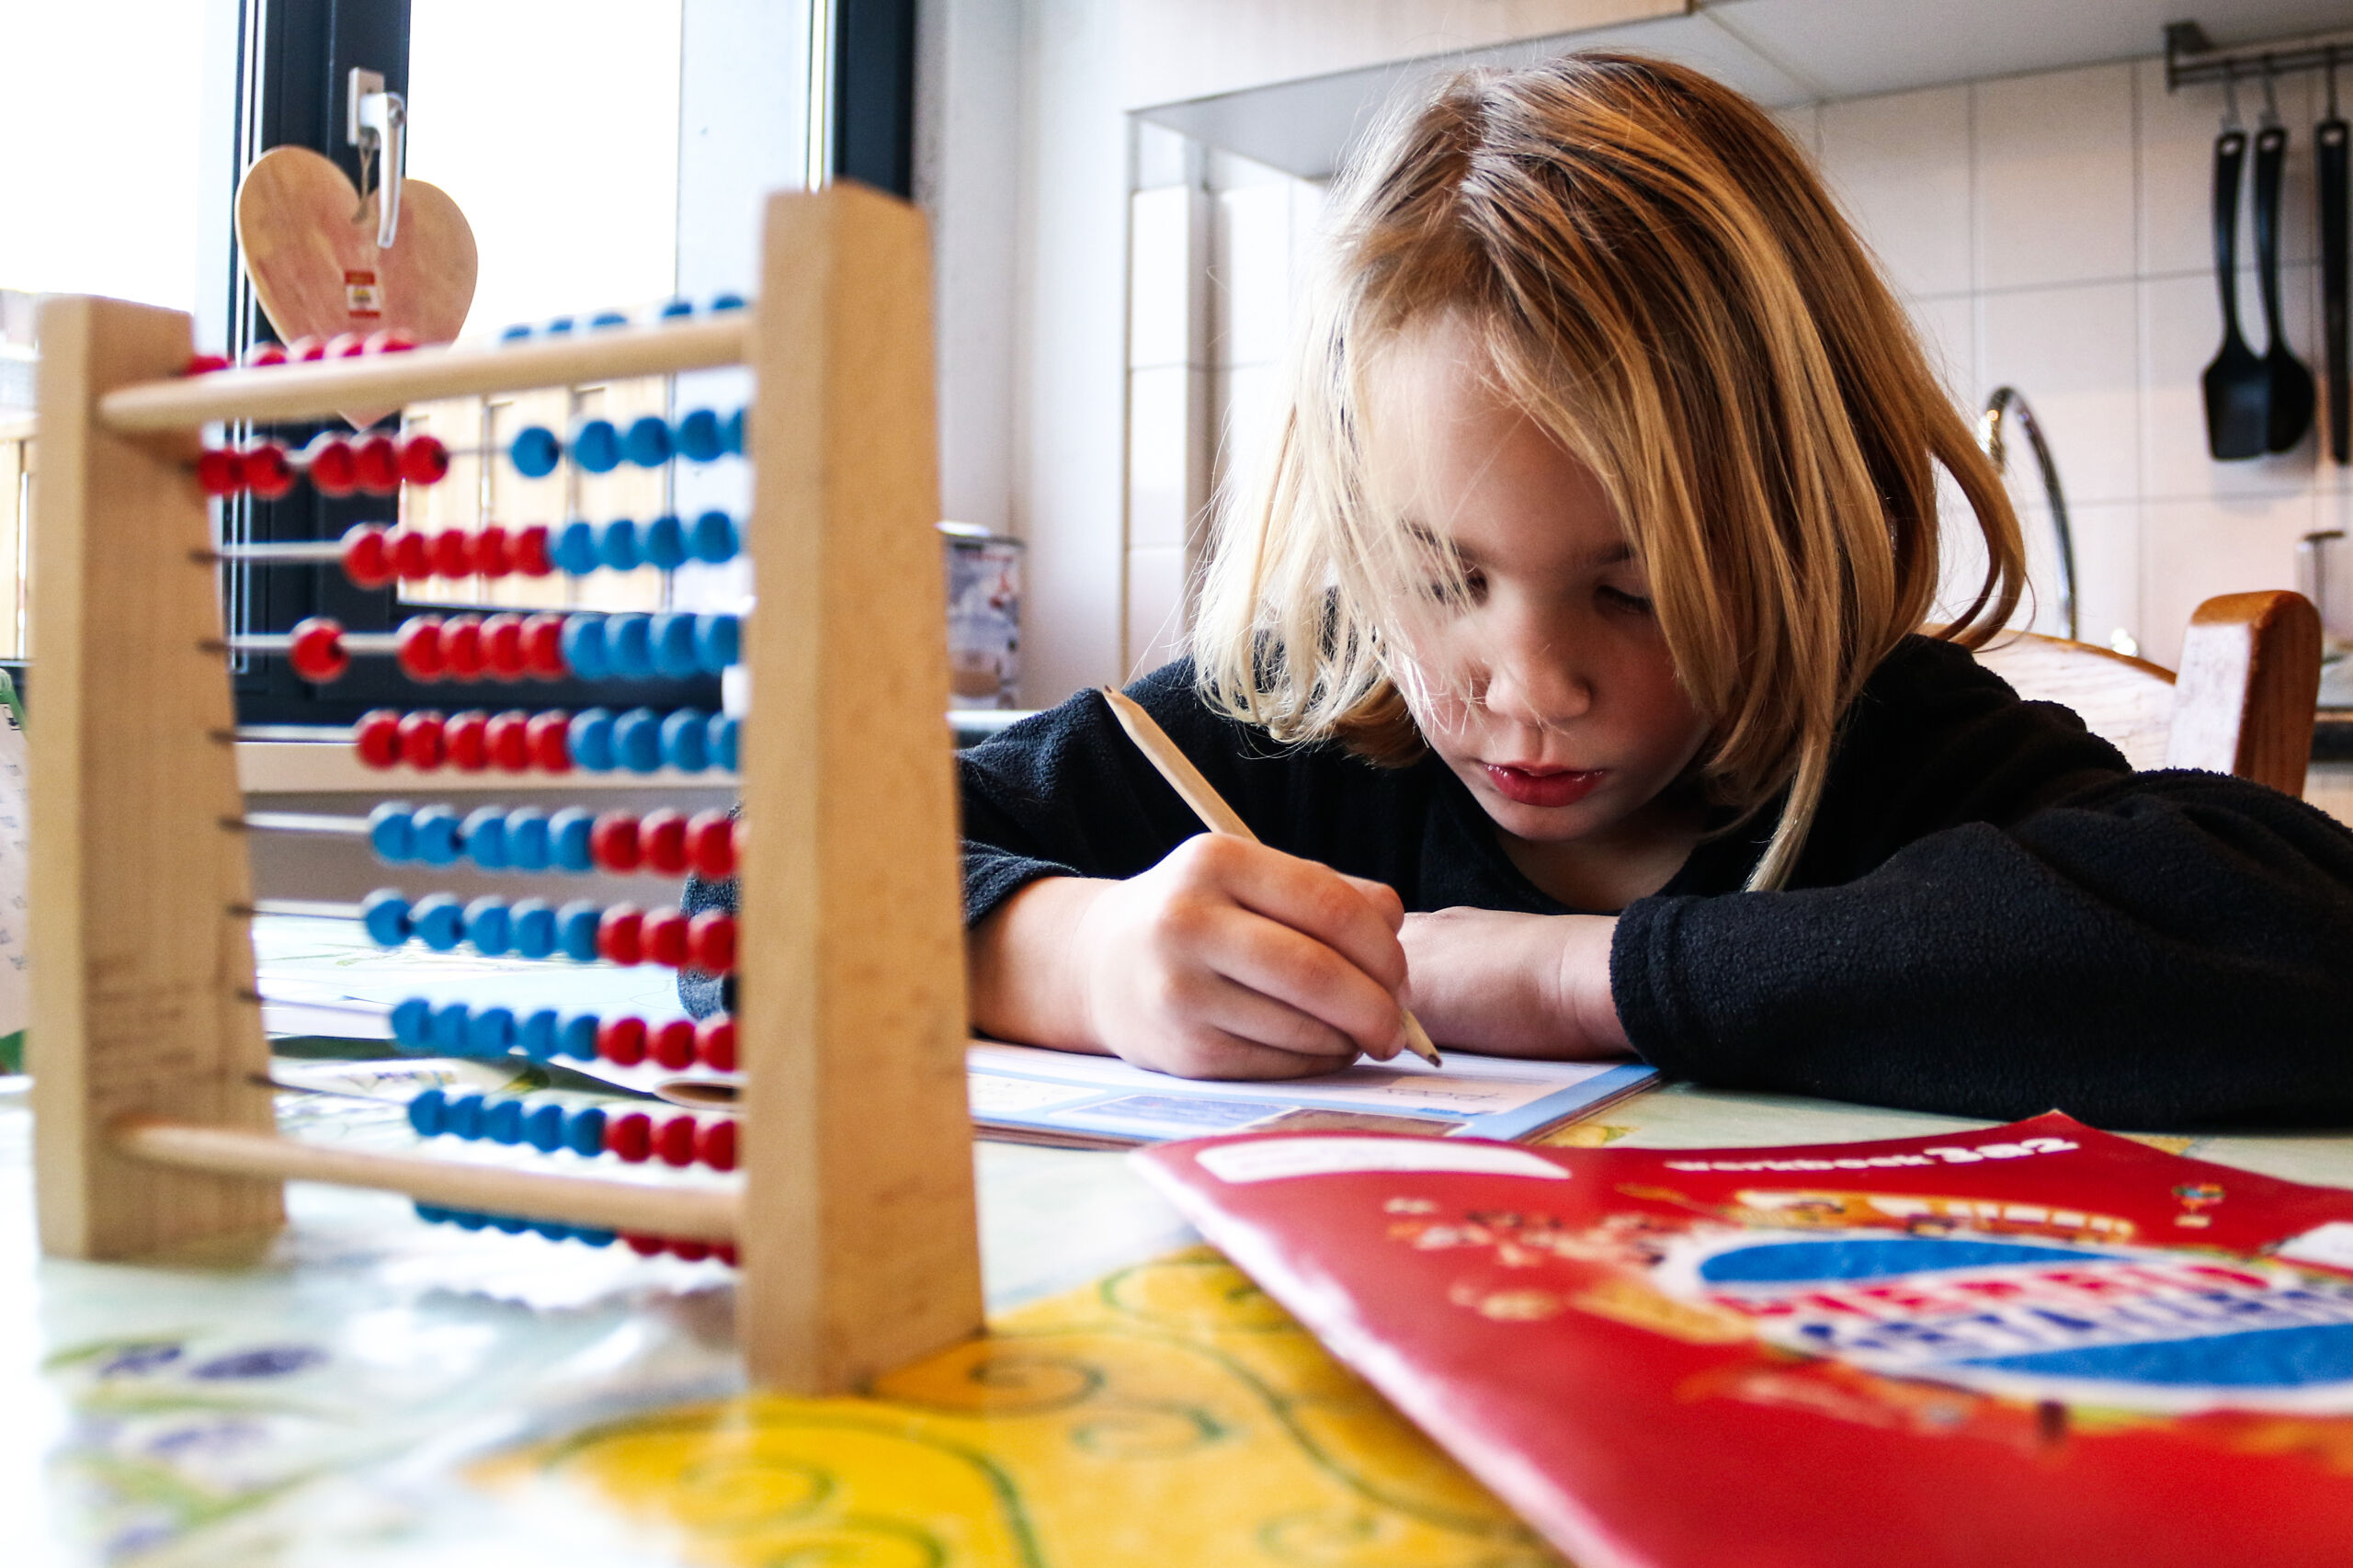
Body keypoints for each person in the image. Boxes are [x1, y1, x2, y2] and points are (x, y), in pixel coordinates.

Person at [695, 52, 2353, 1127]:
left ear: (1799, 528)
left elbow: (2304, 947)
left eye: (1636, 591)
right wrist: (1079, 954)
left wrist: (1584, 976)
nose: (1532, 682)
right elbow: (742, 879)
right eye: (1442, 575)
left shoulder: (1888, 749)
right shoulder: (1300, 730)